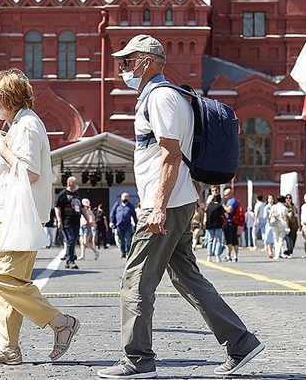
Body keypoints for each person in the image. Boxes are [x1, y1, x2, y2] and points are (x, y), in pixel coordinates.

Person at [98, 34, 263, 379]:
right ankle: (240, 342)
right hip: (177, 200)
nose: (123, 68)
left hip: (166, 203)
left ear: (149, 62)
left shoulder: (160, 98)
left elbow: (170, 155)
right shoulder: (164, 97)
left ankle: (138, 360)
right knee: (187, 277)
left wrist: (157, 206)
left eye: (128, 61)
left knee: (136, 279)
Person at [0, 69, 79, 365]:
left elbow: (29, 172)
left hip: (19, 216)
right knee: (2, 284)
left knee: (1, 276)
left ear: (6, 97)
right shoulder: (19, 125)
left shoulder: (27, 126)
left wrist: (3, 147)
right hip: (7, 216)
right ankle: (9, 347)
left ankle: (60, 322)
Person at [55, 176, 83, 269]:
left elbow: (81, 207)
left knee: (73, 241)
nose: (76, 184)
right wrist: (59, 220)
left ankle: (68, 261)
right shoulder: (63, 194)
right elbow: (57, 207)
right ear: (70, 183)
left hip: (76, 221)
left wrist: (88, 219)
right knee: (70, 240)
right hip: (67, 221)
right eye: (75, 182)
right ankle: (71, 260)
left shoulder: (77, 194)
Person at [110, 192, 137, 259]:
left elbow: (134, 215)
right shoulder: (117, 205)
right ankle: (122, 253)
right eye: (123, 196)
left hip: (127, 225)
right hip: (119, 225)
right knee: (121, 240)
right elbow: (112, 214)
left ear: (128, 198)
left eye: (126, 197)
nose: (125, 198)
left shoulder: (130, 206)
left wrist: (136, 223)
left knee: (128, 239)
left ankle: (128, 252)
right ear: (121, 197)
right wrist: (111, 222)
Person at [222, 187, 241, 262]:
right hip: (234, 222)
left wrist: (223, 207)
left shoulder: (231, 201)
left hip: (229, 222)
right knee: (234, 240)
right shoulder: (236, 201)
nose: (225, 197)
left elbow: (229, 210)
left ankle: (228, 255)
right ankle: (235, 256)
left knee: (228, 240)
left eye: (226, 195)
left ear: (230, 194)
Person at [204, 194, 225, 263]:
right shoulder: (219, 206)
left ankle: (209, 256)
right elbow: (224, 214)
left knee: (210, 241)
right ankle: (217, 256)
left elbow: (206, 214)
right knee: (219, 240)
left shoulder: (209, 206)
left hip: (210, 225)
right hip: (218, 224)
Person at [268, 195, 290, 260]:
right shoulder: (284, 208)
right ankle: (279, 254)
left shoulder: (273, 207)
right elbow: (285, 218)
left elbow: (270, 216)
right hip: (282, 224)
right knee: (281, 239)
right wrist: (287, 227)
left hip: (274, 224)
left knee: (275, 239)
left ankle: (276, 254)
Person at [263, 194, 277, 258]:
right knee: (269, 238)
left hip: (275, 224)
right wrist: (270, 216)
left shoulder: (275, 206)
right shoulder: (266, 207)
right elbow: (265, 216)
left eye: (272, 198)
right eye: (270, 198)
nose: (271, 200)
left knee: (275, 238)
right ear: (268, 200)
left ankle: (275, 252)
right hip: (269, 224)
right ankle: (270, 252)